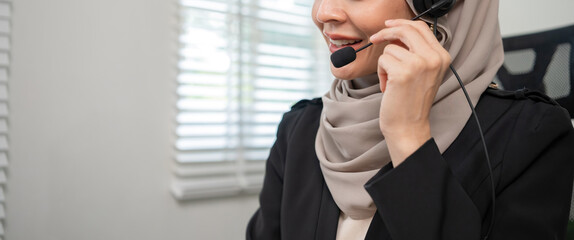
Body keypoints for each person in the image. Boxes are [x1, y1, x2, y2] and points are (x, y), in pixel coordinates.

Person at [246, 0, 574, 239]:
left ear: (435, 6)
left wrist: (407, 135)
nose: (323, 12)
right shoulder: (299, 128)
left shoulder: (533, 133)